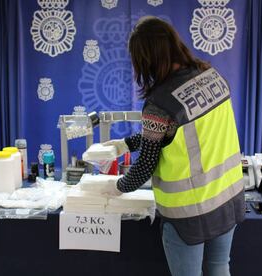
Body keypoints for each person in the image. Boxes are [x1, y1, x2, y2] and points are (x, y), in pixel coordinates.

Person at [103, 16, 245, 276]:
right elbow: (178, 134)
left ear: (147, 60)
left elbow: (146, 164)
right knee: (219, 268)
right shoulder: (211, 77)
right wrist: (126, 143)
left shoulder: (160, 103)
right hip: (227, 198)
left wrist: (116, 188)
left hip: (189, 213)